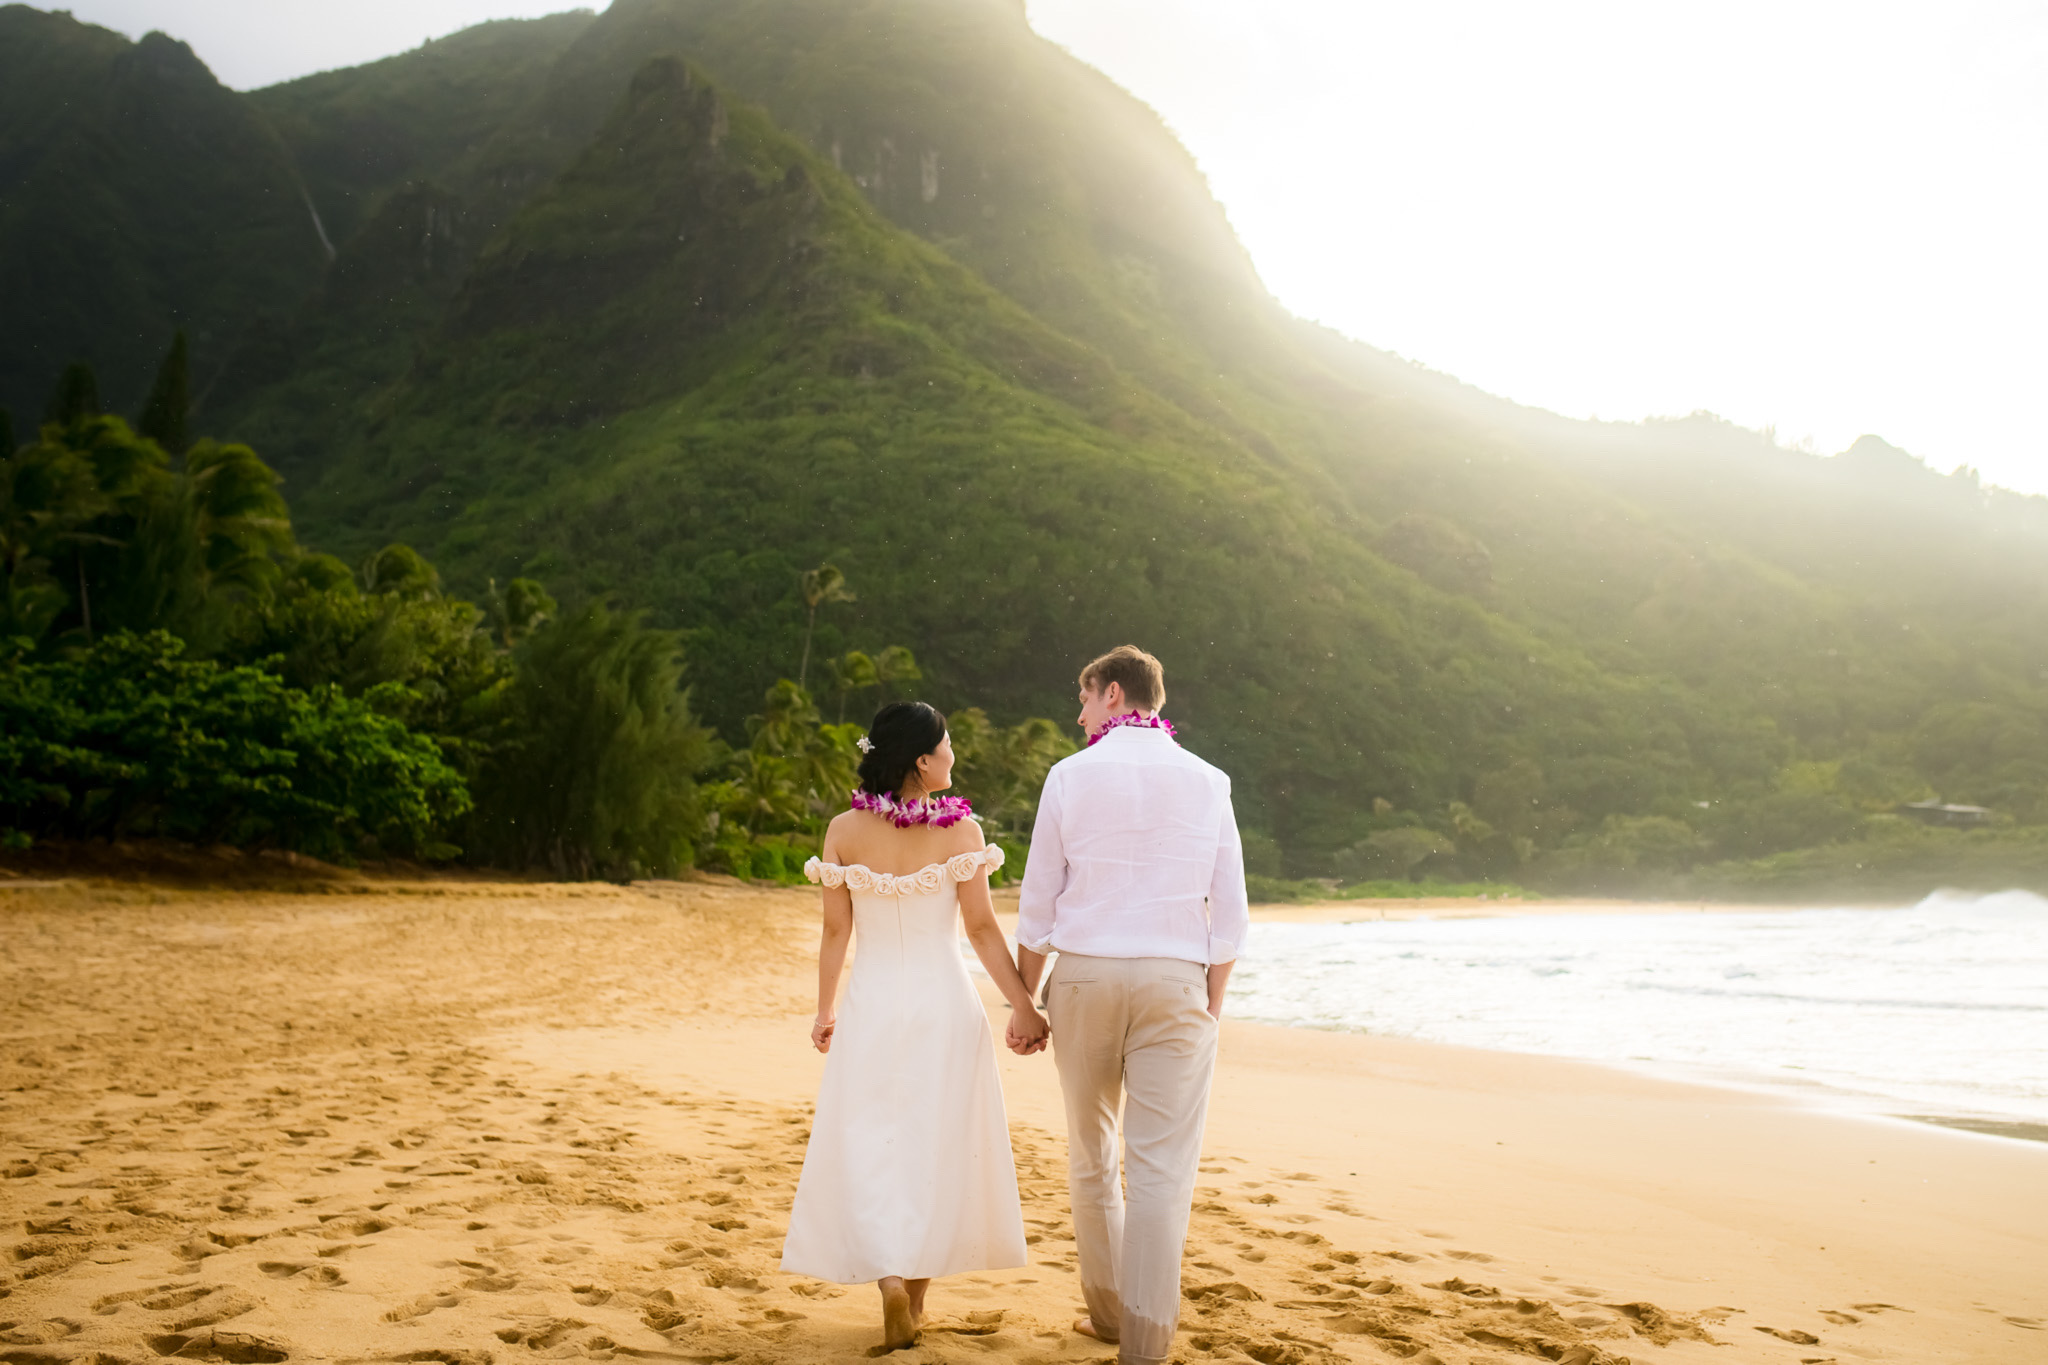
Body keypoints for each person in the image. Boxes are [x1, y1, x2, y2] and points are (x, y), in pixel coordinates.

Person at [780, 701, 1052, 1352]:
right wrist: (1023, 1004)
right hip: (944, 1004)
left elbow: (835, 930)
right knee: (939, 1145)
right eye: (949, 744)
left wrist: (824, 1011)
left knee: (875, 1144)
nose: (956, 755)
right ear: (923, 760)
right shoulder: (962, 833)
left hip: (872, 1003)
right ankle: (919, 1300)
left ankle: (891, 1285)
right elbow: (983, 931)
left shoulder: (843, 830)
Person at [1010, 645, 1250, 1365]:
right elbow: (1230, 912)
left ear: (1113, 693)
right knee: (1160, 1170)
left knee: (1092, 1153)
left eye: (1084, 699)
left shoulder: (1068, 774)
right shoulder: (1210, 780)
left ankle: (1109, 1313)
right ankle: (1143, 1344)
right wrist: (1208, 1000)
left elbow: (1037, 902)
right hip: (1175, 978)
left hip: (1084, 975)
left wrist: (1024, 999)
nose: (1079, 714)